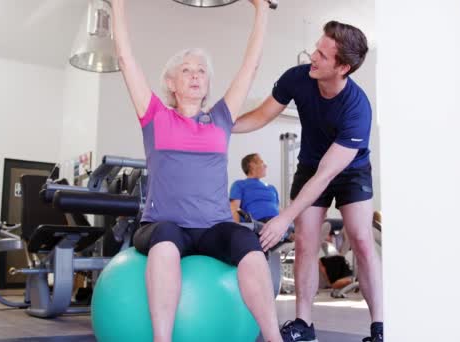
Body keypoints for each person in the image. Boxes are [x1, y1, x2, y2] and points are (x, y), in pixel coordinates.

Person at [110, 1, 284, 341]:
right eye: (186, 70)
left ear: (208, 84)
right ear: (171, 84)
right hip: (162, 225)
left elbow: (251, 67)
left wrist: (261, 9)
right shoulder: (155, 116)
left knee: (248, 243)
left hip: (214, 227)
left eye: (201, 71)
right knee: (164, 241)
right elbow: (125, 60)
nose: (194, 75)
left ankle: (273, 338)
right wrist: (118, 5)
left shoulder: (221, 118)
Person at [233, 20, 384, 342]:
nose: (313, 57)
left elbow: (328, 174)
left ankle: (378, 328)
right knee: (304, 241)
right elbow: (261, 116)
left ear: (343, 67)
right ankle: (304, 323)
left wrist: (283, 216)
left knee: (360, 238)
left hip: (350, 170)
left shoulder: (357, 109)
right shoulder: (297, 78)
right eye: (316, 48)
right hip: (310, 164)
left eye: (322, 55)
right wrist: (219, 126)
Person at [230, 153, 280, 223]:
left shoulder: (271, 188)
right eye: (261, 162)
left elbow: (277, 208)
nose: (265, 166)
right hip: (256, 224)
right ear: (251, 165)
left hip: (277, 224)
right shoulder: (239, 184)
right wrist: (236, 230)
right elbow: (234, 208)